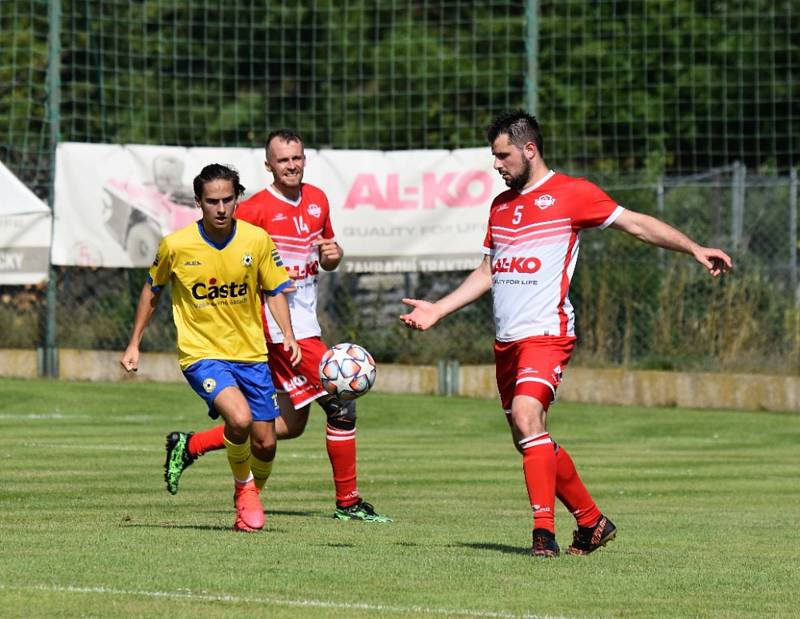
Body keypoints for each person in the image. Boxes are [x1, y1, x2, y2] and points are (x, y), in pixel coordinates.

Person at [400, 110, 732, 557]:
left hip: (547, 333)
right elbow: (489, 270)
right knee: (529, 438)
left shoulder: (572, 194)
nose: (496, 165)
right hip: (507, 342)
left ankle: (543, 535)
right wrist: (439, 308)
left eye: (502, 156)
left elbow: (636, 223)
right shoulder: (500, 207)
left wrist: (693, 248)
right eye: (494, 157)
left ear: (528, 149)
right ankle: (592, 521)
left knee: (526, 418)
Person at [163, 130, 391, 522]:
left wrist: (335, 256)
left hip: (307, 324)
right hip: (277, 329)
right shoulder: (254, 210)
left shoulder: (317, 200)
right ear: (269, 165)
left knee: (289, 423)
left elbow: (326, 258)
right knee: (341, 405)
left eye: (297, 158)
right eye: (283, 160)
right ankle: (348, 502)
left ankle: (191, 444)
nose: (292, 165)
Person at [121, 163, 299, 532]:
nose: (221, 208)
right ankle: (243, 490)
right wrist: (134, 343)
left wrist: (288, 334)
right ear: (198, 203)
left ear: (238, 199)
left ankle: (247, 495)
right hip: (201, 354)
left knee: (265, 444)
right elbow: (151, 291)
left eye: (227, 200)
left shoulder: (256, 241)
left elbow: (275, 290)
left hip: (251, 354)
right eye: (212, 201)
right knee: (239, 419)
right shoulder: (176, 245)